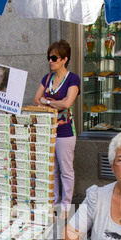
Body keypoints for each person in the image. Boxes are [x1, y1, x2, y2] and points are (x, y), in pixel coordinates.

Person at [33, 39, 80, 217]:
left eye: (54, 57)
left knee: (66, 170)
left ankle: (66, 205)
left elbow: (67, 103)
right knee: (51, 169)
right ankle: (53, 201)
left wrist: (47, 102)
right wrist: (53, 104)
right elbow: (35, 100)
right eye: (49, 57)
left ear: (64, 59)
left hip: (65, 131)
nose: (50, 61)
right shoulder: (47, 78)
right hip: (48, 130)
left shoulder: (73, 79)